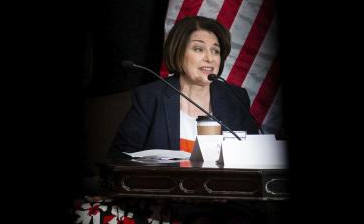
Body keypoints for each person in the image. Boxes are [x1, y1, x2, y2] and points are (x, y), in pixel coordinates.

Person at [108, 16, 263, 159]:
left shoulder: (235, 98)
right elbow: (119, 158)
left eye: (215, 51)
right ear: (178, 52)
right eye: (198, 49)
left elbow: (254, 158)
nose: (209, 58)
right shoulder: (150, 97)